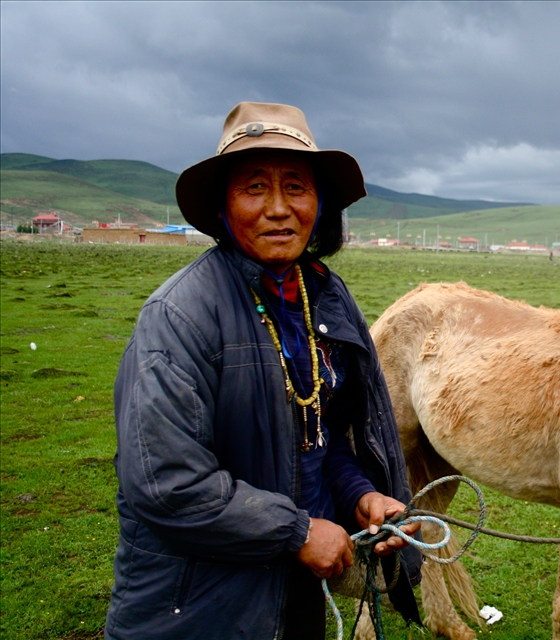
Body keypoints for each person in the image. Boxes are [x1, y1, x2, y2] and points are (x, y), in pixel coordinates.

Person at [105, 102, 422, 639]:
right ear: (224, 207)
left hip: (297, 591)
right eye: (255, 188)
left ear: (319, 205)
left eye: (296, 187)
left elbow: (320, 438)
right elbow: (165, 484)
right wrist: (296, 532)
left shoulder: (323, 297)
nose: (279, 208)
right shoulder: (180, 315)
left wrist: (360, 495)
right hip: (197, 607)